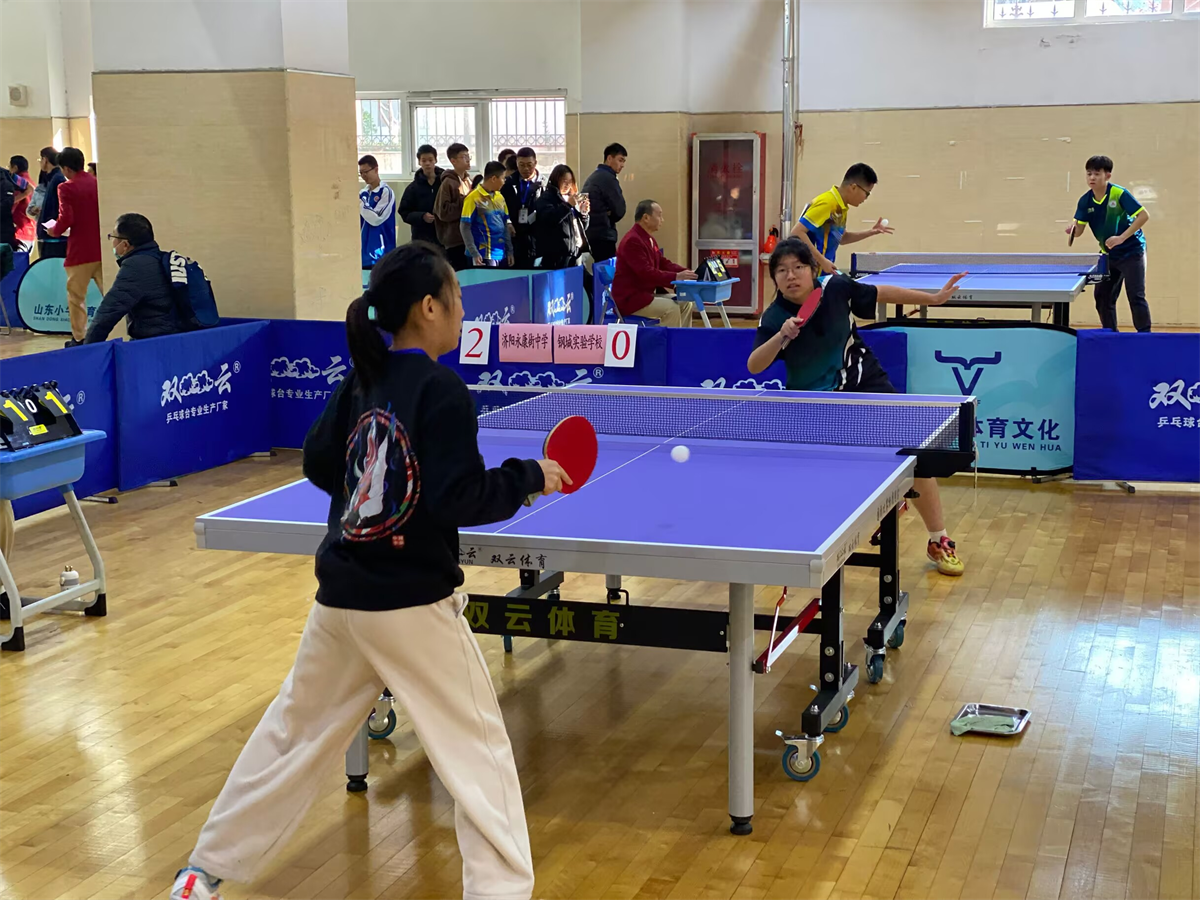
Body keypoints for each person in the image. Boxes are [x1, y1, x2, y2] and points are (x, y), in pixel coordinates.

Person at [168, 242, 567, 900]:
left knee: (290, 737)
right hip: (411, 605)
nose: (463, 310)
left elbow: (320, 462)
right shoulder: (441, 388)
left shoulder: (363, 379)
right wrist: (529, 477)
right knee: (479, 751)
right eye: (457, 297)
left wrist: (377, 500)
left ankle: (202, 873)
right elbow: (460, 498)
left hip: (341, 599)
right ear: (429, 307)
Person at [747, 238, 967, 576]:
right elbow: (754, 365)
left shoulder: (834, 288)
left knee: (916, 454)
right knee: (816, 477)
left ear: (812, 270)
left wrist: (933, 299)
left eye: (798, 267)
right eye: (782, 270)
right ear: (774, 278)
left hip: (865, 382)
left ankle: (939, 539)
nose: (791, 276)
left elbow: (880, 293)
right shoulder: (774, 316)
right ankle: (807, 537)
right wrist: (781, 336)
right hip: (815, 405)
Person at [1066, 155, 1151, 333]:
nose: (1092, 178)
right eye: (1089, 174)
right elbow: (1079, 230)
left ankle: (1144, 336)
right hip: (1108, 254)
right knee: (1102, 297)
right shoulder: (1085, 201)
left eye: (1097, 174)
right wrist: (1073, 229)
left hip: (1132, 252)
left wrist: (1122, 237)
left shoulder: (1119, 194)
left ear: (1108, 176)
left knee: (1136, 296)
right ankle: (1111, 334)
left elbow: (1143, 216)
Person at [85, 213, 182, 343]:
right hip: (179, 338)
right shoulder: (161, 259)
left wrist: (87, 349)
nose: (112, 242)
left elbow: (108, 313)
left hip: (155, 343)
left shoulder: (136, 267)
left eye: (113, 237)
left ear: (125, 244)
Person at [789, 163, 894, 275]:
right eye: (867, 194)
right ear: (853, 187)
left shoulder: (841, 207)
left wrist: (871, 232)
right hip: (810, 275)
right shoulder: (827, 203)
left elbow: (842, 238)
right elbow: (797, 232)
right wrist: (822, 261)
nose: (866, 198)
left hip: (823, 273)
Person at [44, 147, 101, 347]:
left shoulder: (66, 188)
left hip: (80, 250)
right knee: (112, 295)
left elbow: (66, 218)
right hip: (101, 249)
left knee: (76, 297)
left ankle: (79, 337)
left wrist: (54, 231)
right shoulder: (97, 183)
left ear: (66, 168)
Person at [611, 199, 696, 327]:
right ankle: (667, 340)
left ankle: (681, 338)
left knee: (686, 302)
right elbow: (646, 273)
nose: (662, 220)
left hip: (645, 294)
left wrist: (687, 273)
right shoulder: (632, 241)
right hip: (631, 299)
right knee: (671, 309)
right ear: (646, 218)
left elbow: (663, 263)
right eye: (659, 215)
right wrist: (676, 277)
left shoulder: (648, 238)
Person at [533, 164, 590, 269]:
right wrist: (568, 206)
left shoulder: (570, 198)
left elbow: (581, 227)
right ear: (556, 180)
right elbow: (550, 219)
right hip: (557, 254)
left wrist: (584, 214)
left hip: (575, 251)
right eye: (564, 181)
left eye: (570, 181)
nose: (567, 185)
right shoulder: (547, 198)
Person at [460, 161, 513, 268]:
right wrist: (474, 253)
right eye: (503, 178)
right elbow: (465, 227)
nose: (504, 182)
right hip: (482, 255)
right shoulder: (472, 198)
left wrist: (510, 251)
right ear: (493, 178)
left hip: (500, 254)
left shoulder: (500, 197)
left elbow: (505, 225)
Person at [581, 142, 627, 262]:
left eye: (624, 161)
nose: (622, 165)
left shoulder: (593, 177)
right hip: (604, 234)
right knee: (608, 270)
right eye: (620, 160)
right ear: (609, 158)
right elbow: (620, 210)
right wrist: (609, 214)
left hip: (590, 233)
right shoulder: (608, 179)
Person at [500, 148, 542, 268]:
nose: (526, 169)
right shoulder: (507, 183)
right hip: (514, 237)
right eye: (521, 165)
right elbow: (500, 208)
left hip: (535, 239)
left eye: (529, 165)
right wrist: (507, 222)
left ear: (535, 163)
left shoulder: (543, 185)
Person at [434, 143, 473, 270]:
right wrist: (465, 201)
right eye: (464, 157)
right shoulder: (448, 183)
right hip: (455, 240)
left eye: (468, 156)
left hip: (469, 237)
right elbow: (443, 212)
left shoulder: (468, 181)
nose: (468, 160)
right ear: (453, 161)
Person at [397, 145, 443, 245]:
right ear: (419, 162)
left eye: (430, 160)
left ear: (435, 160)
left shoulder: (445, 183)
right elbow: (404, 212)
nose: (427, 163)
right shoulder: (413, 188)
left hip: (444, 237)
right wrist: (421, 216)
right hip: (421, 238)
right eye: (424, 160)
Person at [358, 155, 396, 269]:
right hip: (363, 252)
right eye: (361, 173)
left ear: (376, 169)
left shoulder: (386, 192)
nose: (363, 176)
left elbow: (376, 219)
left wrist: (361, 202)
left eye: (366, 172)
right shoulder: (363, 193)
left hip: (381, 252)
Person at [34, 147, 67, 260]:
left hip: (53, 237)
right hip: (49, 235)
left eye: (40, 159)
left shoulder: (58, 179)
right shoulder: (52, 178)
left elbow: (59, 208)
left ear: (45, 160)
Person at [8, 156, 35, 252]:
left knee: (17, 260)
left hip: (19, 231)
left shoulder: (18, 183)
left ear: (15, 168)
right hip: (31, 232)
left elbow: (11, 206)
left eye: (9, 167)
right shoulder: (31, 182)